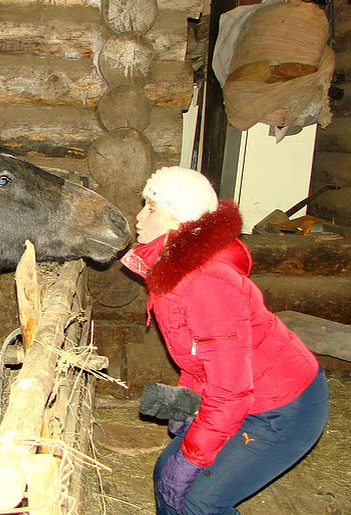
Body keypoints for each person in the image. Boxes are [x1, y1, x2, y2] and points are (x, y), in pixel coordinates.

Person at [120, 167, 330, 515]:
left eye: (152, 208)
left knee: (198, 501)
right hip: (244, 395)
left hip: (282, 408)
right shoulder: (174, 268)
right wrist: (190, 403)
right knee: (166, 473)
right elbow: (202, 358)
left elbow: (231, 387)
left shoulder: (206, 283)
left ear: (181, 221)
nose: (139, 217)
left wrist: (193, 453)